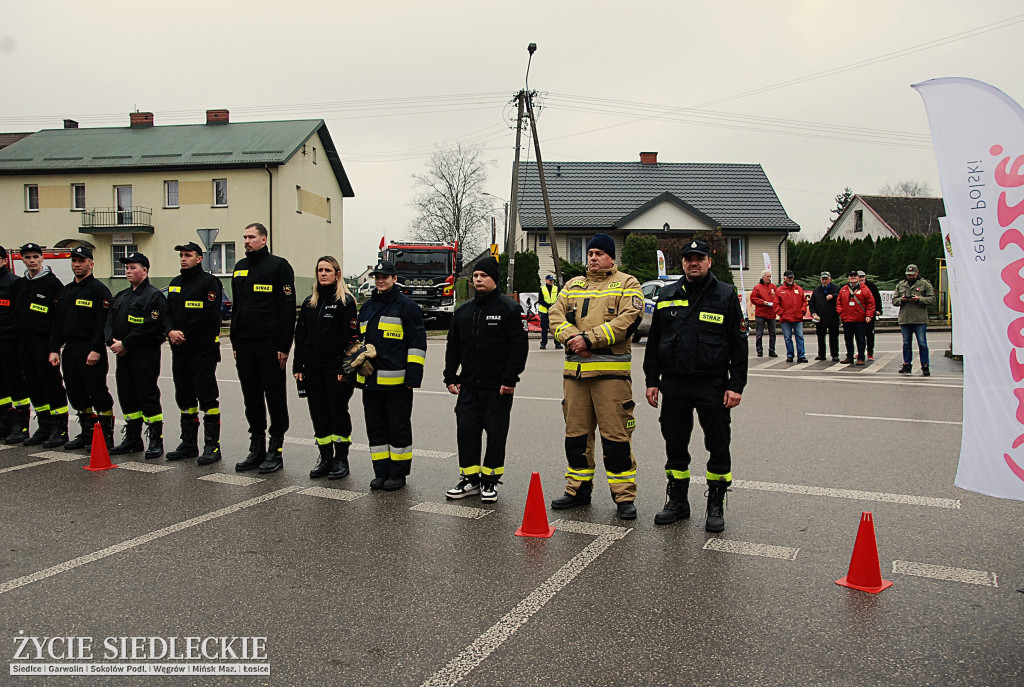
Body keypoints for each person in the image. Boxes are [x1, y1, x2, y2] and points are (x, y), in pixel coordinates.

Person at [643, 240, 747, 532]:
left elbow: (739, 346)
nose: (693, 263)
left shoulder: (725, 294)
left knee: (717, 444)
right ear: (683, 263)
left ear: (709, 261)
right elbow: (654, 343)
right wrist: (652, 381)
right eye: (689, 259)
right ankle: (678, 502)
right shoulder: (667, 294)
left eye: (699, 258)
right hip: (674, 384)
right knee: (675, 445)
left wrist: (736, 385)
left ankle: (715, 504)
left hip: (712, 384)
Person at [547, 233, 642, 520]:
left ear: (612, 258)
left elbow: (627, 320)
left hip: (611, 378)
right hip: (575, 378)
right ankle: (577, 491)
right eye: (590, 253)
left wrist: (589, 340)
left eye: (600, 253)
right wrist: (574, 338)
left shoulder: (628, 283)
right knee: (576, 439)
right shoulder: (573, 285)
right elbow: (554, 315)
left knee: (616, 440)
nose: (593, 258)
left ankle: (624, 497)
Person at [443, 257, 528, 503]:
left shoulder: (509, 309)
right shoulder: (463, 311)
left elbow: (518, 347)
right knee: (467, 432)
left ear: (494, 279)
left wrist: (510, 378)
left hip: (498, 388)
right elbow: (453, 346)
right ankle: (470, 479)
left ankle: (490, 481)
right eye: (476, 276)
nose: (478, 279)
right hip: (468, 387)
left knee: (496, 434)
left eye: (484, 276)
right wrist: (450, 375)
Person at [231, 222, 296, 474]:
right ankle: (256, 447)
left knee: (275, 397)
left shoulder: (279, 266)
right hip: (244, 345)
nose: (247, 241)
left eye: (251, 237)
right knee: (251, 398)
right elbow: (237, 309)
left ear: (264, 239)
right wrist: (235, 342)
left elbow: (287, 308)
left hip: (270, 345)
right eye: (244, 237)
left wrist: (284, 345)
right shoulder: (239, 268)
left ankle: (275, 449)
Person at [357, 259, 427, 491]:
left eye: (385, 277)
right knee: (375, 429)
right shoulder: (367, 308)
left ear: (394, 279)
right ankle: (381, 472)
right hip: (371, 382)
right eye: (377, 277)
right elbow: (358, 344)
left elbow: (417, 345)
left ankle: (398, 474)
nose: (380, 280)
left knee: (398, 429)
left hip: (397, 384)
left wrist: (412, 378)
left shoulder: (407, 307)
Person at [293, 256, 359, 480]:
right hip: (312, 368)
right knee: (318, 413)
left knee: (337, 413)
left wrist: (345, 369)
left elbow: (352, 340)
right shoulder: (310, 302)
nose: (323, 274)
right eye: (320, 270)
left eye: (327, 270)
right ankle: (325, 457)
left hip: (336, 370)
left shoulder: (345, 302)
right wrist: (297, 365)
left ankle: (341, 459)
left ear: (337, 274)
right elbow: (300, 337)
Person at [48, 246, 115, 450]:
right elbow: (57, 324)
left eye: (81, 261)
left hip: (91, 349)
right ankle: (88, 431)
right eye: (74, 261)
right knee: (76, 392)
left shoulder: (98, 290)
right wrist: (53, 349)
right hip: (71, 349)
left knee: (97, 392)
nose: (77, 265)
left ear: (91, 264)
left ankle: (105, 435)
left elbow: (102, 323)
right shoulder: (66, 291)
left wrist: (96, 348)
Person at [165, 242, 224, 464]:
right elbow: (166, 312)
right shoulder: (175, 283)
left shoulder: (209, 283)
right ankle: (188, 443)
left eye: (188, 255)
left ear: (199, 258)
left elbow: (209, 317)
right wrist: (170, 330)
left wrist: (183, 333)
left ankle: (212, 446)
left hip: (202, 350)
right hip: (180, 351)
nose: (183, 258)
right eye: (181, 255)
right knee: (184, 396)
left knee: (207, 397)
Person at [106, 253, 168, 458]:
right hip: (123, 355)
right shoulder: (122, 295)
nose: (128, 271)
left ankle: (155, 440)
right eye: (126, 268)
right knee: (127, 395)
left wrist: (126, 343)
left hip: (144, 355)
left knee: (147, 395)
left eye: (133, 267)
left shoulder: (153, 296)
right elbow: (108, 322)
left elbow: (151, 326)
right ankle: (133, 438)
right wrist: (112, 342)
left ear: (145, 270)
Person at [15, 243, 69, 448]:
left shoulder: (52, 284)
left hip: (45, 344)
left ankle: (59, 428)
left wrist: (54, 347)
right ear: (23, 260)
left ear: (42, 258)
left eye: (35, 256)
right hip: (25, 344)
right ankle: (44, 425)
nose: (32, 261)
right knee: (33, 385)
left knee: (51, 385)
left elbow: (58, 320)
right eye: (28, 257)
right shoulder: (21, 285)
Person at [0, 245, 29, 444]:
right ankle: (4, 422)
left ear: (3, 260)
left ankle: (21, 424)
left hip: (10, 342)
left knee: (15, 383)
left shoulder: (14, 283)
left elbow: (20, 315)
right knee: (1, 387)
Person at [892, 263, 935, 376]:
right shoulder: (901, 284)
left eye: (912, 274)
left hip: (919, 318)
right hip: (905, 318)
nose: (910, 276)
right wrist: (902, 299)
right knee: (906, 343)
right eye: (908, 274)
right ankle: (907, 364)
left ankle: (925, 365)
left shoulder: (925, 284)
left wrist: (919, 299)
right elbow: (894, 301)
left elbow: (931, 299)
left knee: (922, 344)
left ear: (917, 273)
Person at [836, 270, 875, 366]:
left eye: (855, 276)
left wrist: (869, 315)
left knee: (860, 339)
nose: (853, 277)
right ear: (848, 278)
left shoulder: (865, 289)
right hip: (847, 319)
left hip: (860, 319)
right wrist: (841, 312)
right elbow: (839, 302)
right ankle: (849, 356)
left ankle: (861, 357)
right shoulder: (844, 289)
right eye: (851, 276)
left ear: (858, 278)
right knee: (848, 339)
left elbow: (871, 303)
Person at [776, 270, 808, 363]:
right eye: (789, 277)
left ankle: (801, 355)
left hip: (797, 317)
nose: (790, 279)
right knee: (787, 338)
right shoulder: (780, 290)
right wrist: (781, 313)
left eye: (792, 277)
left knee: (800, 337)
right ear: (784, 278)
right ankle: (790, 354)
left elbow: (804, 302)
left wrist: (802, 311)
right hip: (785, 318)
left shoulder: (799, 289)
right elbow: (776, 304)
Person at [808, 271, 840, 362]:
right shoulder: (817, 290)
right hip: (820, 317)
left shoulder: (836, 288)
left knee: (834, 337)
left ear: (830, 279)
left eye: (826, 279)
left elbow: (841, 297)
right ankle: (821, 354)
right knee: (821, 337)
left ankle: (835, 354)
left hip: (833, 316)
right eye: (823, 279)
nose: (824, 281)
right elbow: (811, 303)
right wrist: (813, 313)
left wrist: (833, 296)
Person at [749, 269, 778, 357]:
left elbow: (777, 297)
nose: (769, 278)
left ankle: (772, 350)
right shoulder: (757, 287)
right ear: (763, 277)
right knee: (759, 333)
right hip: (761, 313)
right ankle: (759, 350)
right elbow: (753, 299)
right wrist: (762, 302)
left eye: (770, 276)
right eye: (767, 276)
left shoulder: (773, 286)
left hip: (771, 313)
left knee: (773, 333)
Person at [858, 270, 883, 360]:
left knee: (870, 335)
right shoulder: (854, 287)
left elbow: (877, 298)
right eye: (860, 277)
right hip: (859, 315)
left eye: (863, 277)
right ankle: (860, 352)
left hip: (870, 314)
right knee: (859, 335)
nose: (862, 278)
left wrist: (878, 309)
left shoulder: (872, 286)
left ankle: (870, 352)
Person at [537, 274, 562, 350]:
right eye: (549, 280)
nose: (551, 281)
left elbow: (559, 299)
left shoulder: (556, 288)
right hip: (544, 311)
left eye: (552, 280)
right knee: (544, 329)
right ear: (546, 280)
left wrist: (554, 305)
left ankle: (557, 344)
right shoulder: (542, 289)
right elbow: (540, 300)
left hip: (554, 311)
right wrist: (548, 305)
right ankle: (543, 344)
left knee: (556, 328)